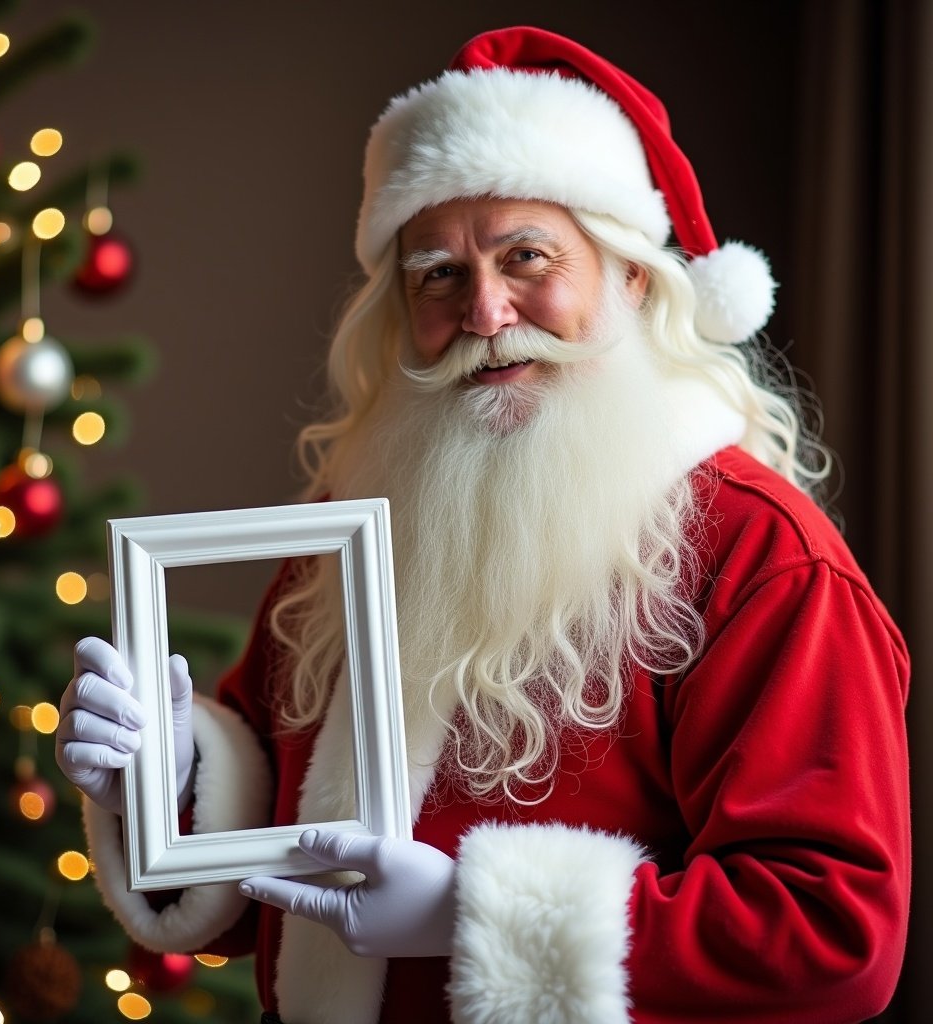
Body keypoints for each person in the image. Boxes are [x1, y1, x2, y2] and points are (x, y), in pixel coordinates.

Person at [56, 25, 911, 1024]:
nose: (487, 310)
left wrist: (471, 913)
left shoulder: (761, 553)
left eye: (527, 257)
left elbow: (831, 933)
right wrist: (171, 775)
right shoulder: (350, 515)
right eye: (438, 274)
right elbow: (275, 847)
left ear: (629, 274)